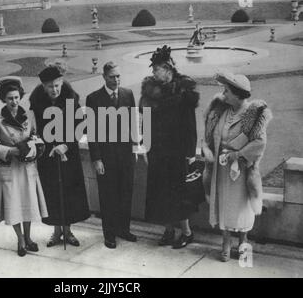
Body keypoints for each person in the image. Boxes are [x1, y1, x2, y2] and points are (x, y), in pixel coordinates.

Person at [202, 72, 272, 262]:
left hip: (242, 172)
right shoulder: (220, 110)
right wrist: (205, 149)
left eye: (227, 90)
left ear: (237, 94)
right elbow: (207, 137)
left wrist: (238, 155)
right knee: (223, 204)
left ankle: (243, 241)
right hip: (220, 170)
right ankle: (225, 241)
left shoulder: (253, 114)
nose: (223, 93)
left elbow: (259, 143)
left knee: (243, 207)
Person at [139, 45, 200, 249]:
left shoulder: (183, 91)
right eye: (153, 69)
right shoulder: (149, 91)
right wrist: (146, 147)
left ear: (167, 68)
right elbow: (145, 123)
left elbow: (190, 126)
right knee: (160, 192)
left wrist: (190, 153)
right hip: (157, 151)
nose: (153, 73)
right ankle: (168, 231)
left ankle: (187, 233)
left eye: (156, 69)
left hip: (177, 152)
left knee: (178, 193)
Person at [0, 76, 48, 257]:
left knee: (27, 203)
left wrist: (36, 145)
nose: (14, 101)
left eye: (16, 97)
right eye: (9, 98)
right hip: (10, 168)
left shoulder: (29, 116)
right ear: (3, 100)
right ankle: (20, 240)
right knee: (13, 205)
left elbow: (36, 135)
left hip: (27, 167)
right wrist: (14, 151)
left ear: (20, 96)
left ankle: (29, 238)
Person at [29, 65, 90, 247]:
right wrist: (46, 146)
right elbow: (34, 131)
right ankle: (56, 232)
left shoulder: (71, 100)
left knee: (69, 191)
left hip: (68, 154)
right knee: (52, 192)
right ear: (43, 87)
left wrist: (65, 145)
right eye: (50, 87)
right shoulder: (37, 102)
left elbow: (80, 128)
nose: (54, 90)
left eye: (57, 85)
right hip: (47, 155)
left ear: (62, 83)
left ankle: (68, 231)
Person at [86, 61, 137, 249]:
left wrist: (135, 148)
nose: (116, 80)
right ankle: (109, 234)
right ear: (104, 77)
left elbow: (133, 123)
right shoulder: (93, 99)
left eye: (118, 76)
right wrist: (97, 159)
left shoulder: (128, 94)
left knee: (126, 193)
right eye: (112, 77)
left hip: (125, 156)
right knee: (108, 196)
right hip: (106, 158)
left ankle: (124, 229)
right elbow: (92, 132)